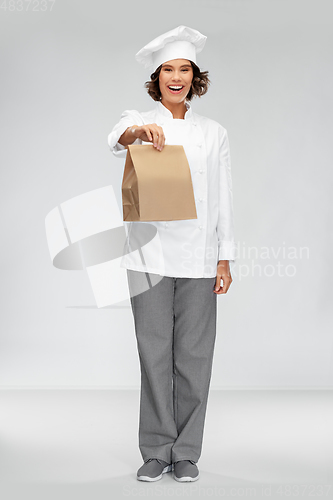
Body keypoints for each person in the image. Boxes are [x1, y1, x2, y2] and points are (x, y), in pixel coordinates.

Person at [108, 25, 236, 483]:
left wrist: (226, 256)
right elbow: (115, 136)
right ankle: (156, 449)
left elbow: (223, 196)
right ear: (157, 77)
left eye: (184, 69)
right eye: (168, 70)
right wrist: (139, 131)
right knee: (154, 353)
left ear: (194, 77)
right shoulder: (140, 120)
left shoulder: (214, 132)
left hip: (200, 257)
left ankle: (187, 452)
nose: (176, 77)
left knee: (195, 356)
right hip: (147, 258)